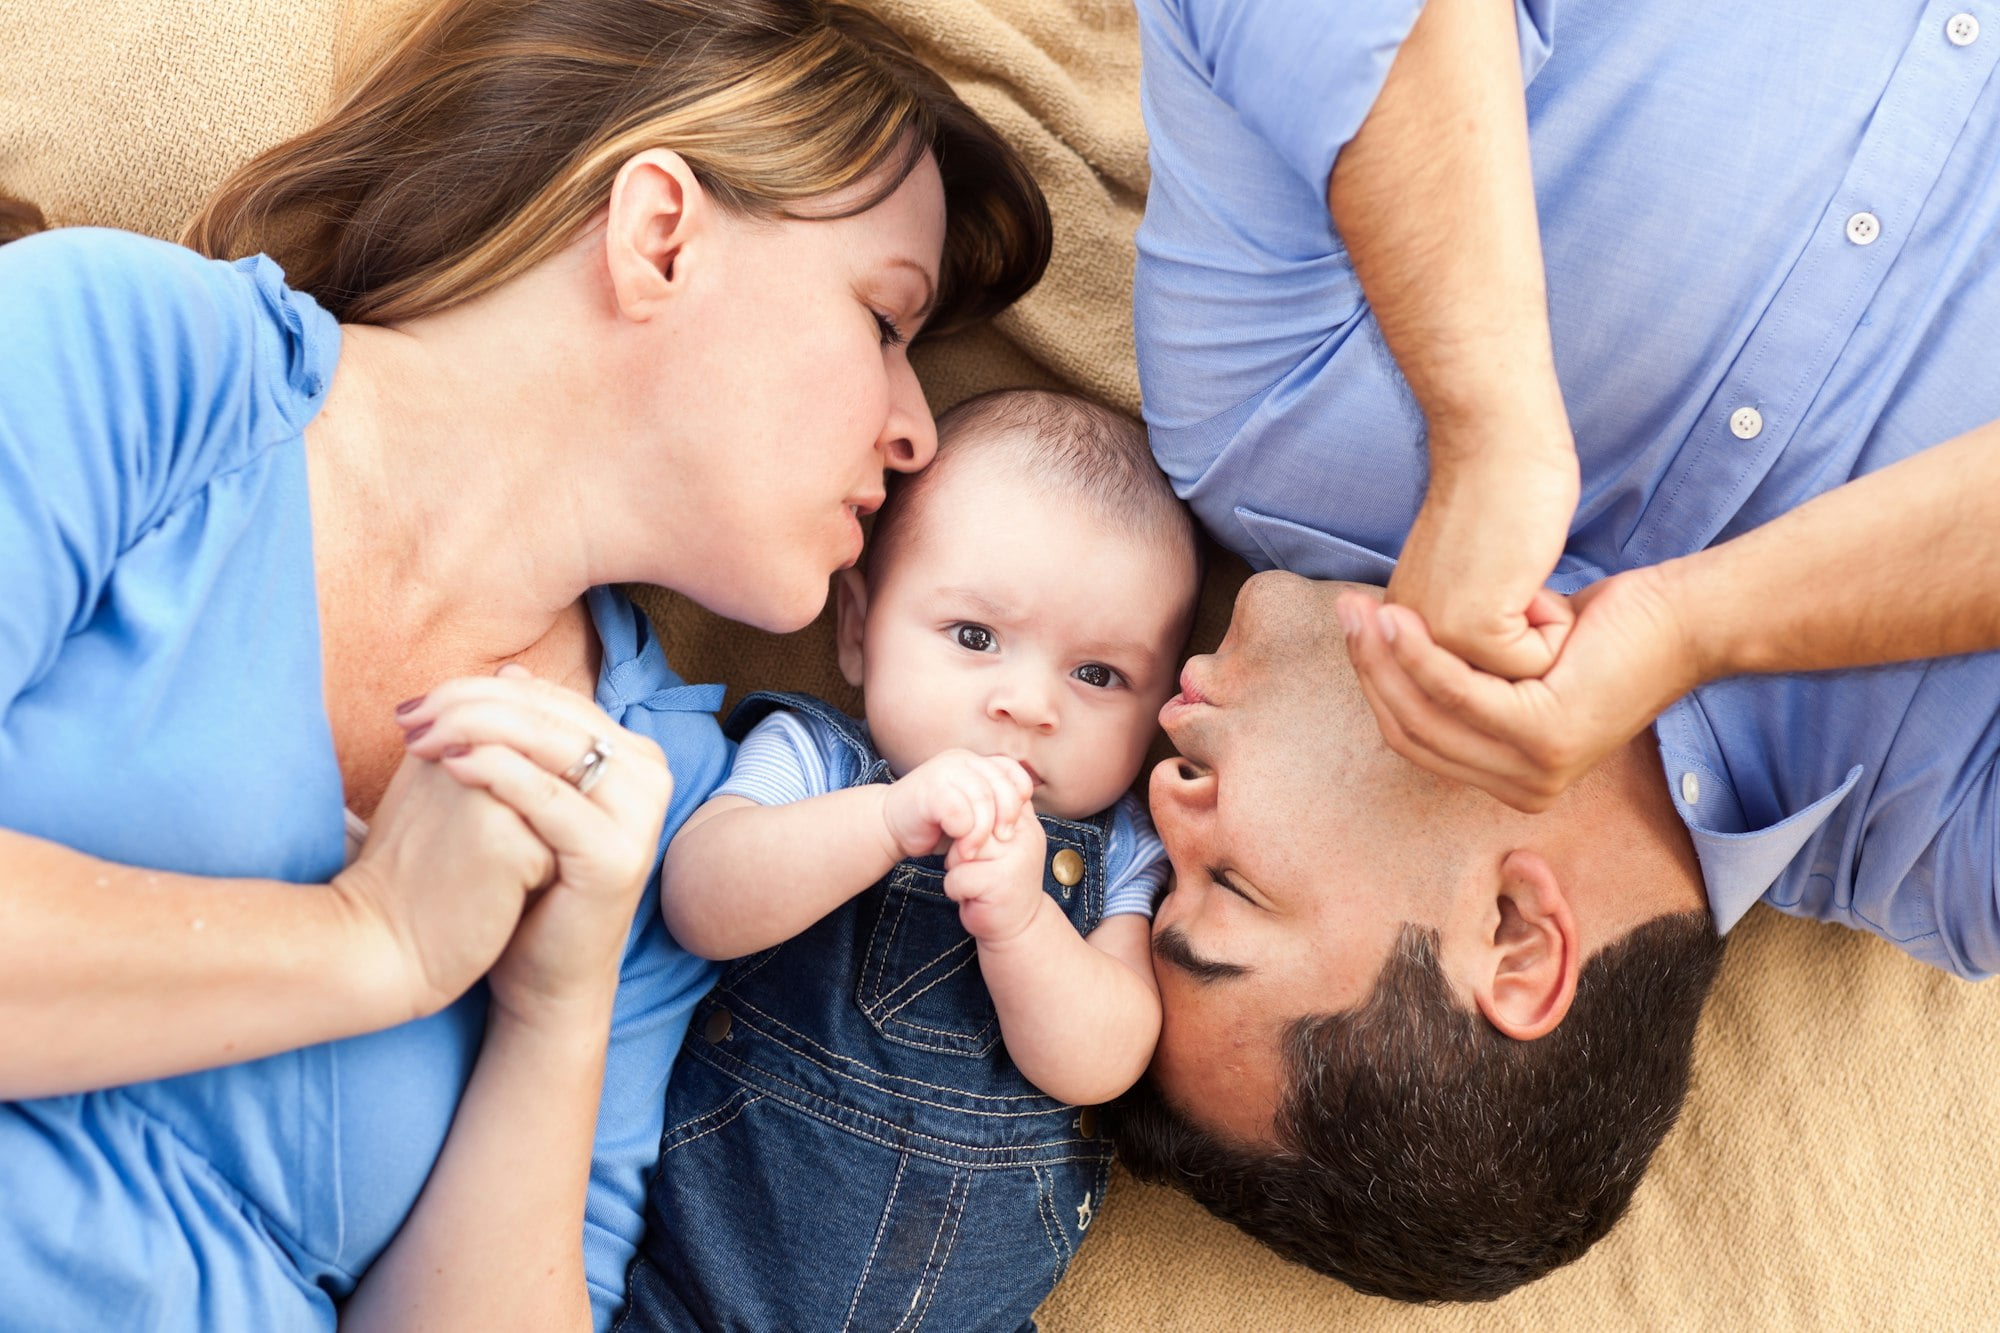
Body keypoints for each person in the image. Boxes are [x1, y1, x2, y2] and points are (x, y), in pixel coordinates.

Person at [0, 0, 1049, 1327]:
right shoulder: (134, 360)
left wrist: (554, 1014)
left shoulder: (661, 803)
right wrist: (372, 943)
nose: (916, 433)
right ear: (658, 233)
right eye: (886, 322)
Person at [1111, 0, 2000, 1304]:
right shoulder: (1961, 847)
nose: (1158, 797)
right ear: (1518, 940)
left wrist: (1491, 417)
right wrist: (1707, 620)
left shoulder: (1261, 421)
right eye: (1222, 888)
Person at [621, 389, 1199, 1331]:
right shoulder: (818, 761)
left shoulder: (1124, 848)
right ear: (858, 630)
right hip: (706, 1281)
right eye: (976, 637)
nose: (1028, 703)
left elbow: (1106, 1057)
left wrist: (1022, 923)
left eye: (1098, 674)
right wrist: (885, 823)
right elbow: (700, 898)